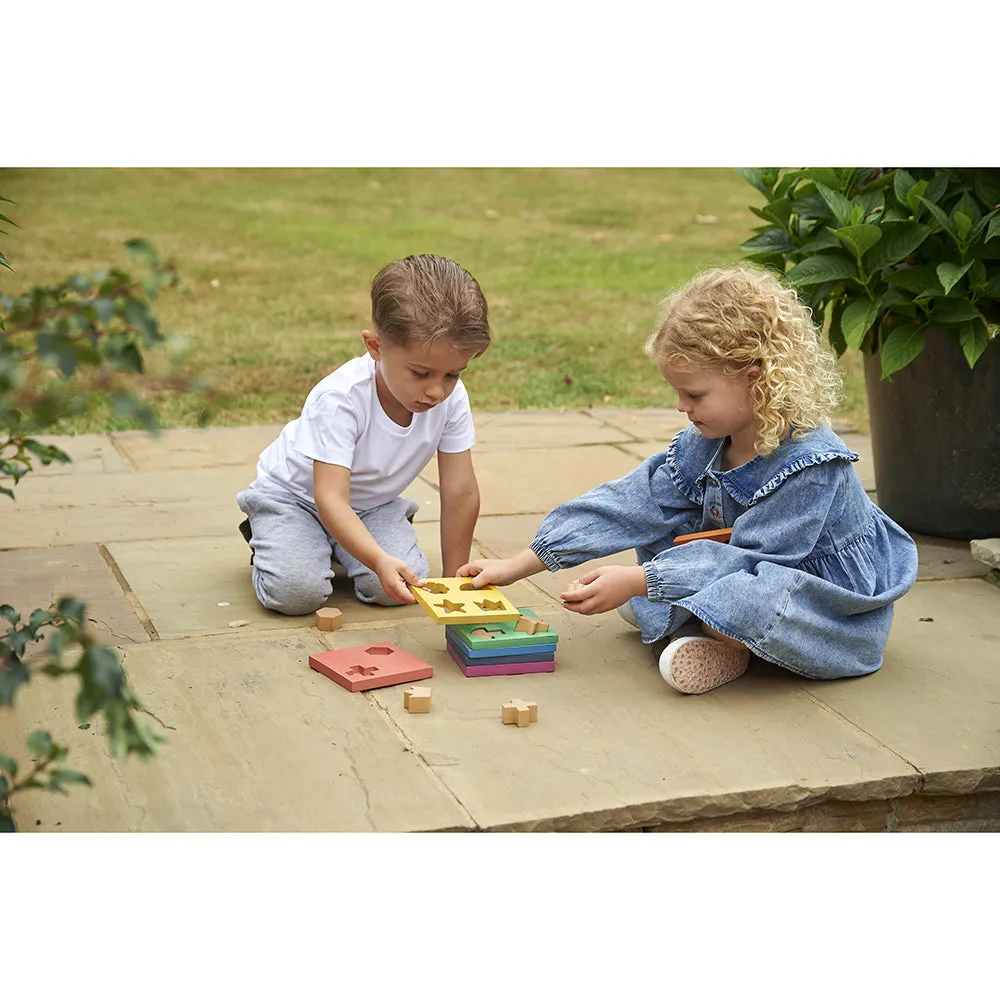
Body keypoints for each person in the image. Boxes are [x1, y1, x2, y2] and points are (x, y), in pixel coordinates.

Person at [458, 265, 919, 695]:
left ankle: (723, 640)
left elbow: (750, 561)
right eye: (676, 391)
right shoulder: (707, 437)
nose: (682, 406)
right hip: (733, 565)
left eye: (694, 393)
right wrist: (521, 563)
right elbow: (631, 502)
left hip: (814, 601)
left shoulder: (811, 465)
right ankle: (710, 629)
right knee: (656, 548)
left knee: (741, 599)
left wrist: (640, 581)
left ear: (756, 378)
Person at [237, 254, 491, 616]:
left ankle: (343, 546)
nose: (437, 390)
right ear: (375, 347)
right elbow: (330, 498)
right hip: (296, 499)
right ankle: (271, 534)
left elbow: (460, 491)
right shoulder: (340, 399)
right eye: (421, 373)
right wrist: (376, 557)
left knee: (402, 586)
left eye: (453, 374)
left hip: (371, 504)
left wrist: (455, 586)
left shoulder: (452, 400)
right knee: (297, 594)